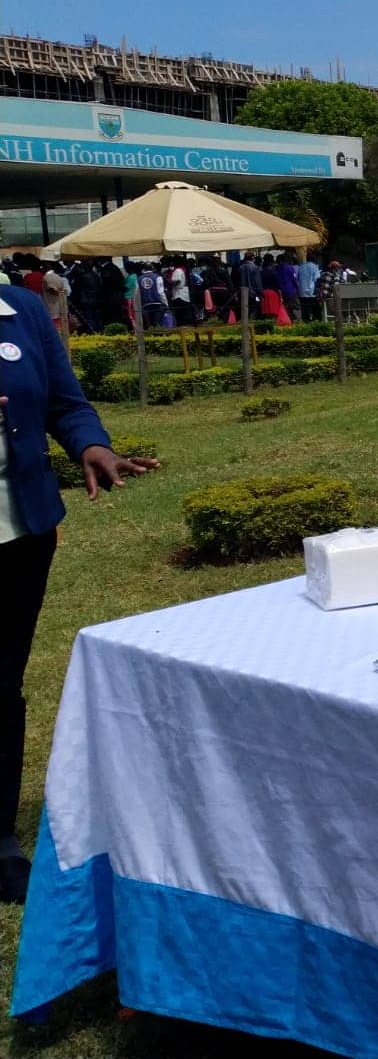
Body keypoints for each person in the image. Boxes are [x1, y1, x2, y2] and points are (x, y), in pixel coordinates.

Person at [0, 282, 158, 902]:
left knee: (2, 679)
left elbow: (64, 402)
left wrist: (92, 445)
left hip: (21, 527)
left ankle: (0, 838)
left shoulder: (24, 308)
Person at [276, 253, 301, 322]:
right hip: (292, 291)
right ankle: (297, 320)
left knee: (286, 306)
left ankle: (289, 319)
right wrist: (297, 288)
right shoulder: (290, 268)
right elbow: (294, 279)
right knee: (296, 306)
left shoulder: (276, 268)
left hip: (282, 292)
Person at [298, 255, 322, 322]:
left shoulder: (301, 267)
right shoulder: (315, 267)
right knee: (315, 309)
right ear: (314, 260)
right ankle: (316, 321)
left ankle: (306, 322)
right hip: (312, 291)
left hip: (302, 291)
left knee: (304, 308)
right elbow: (317, 279)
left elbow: (297, 278)